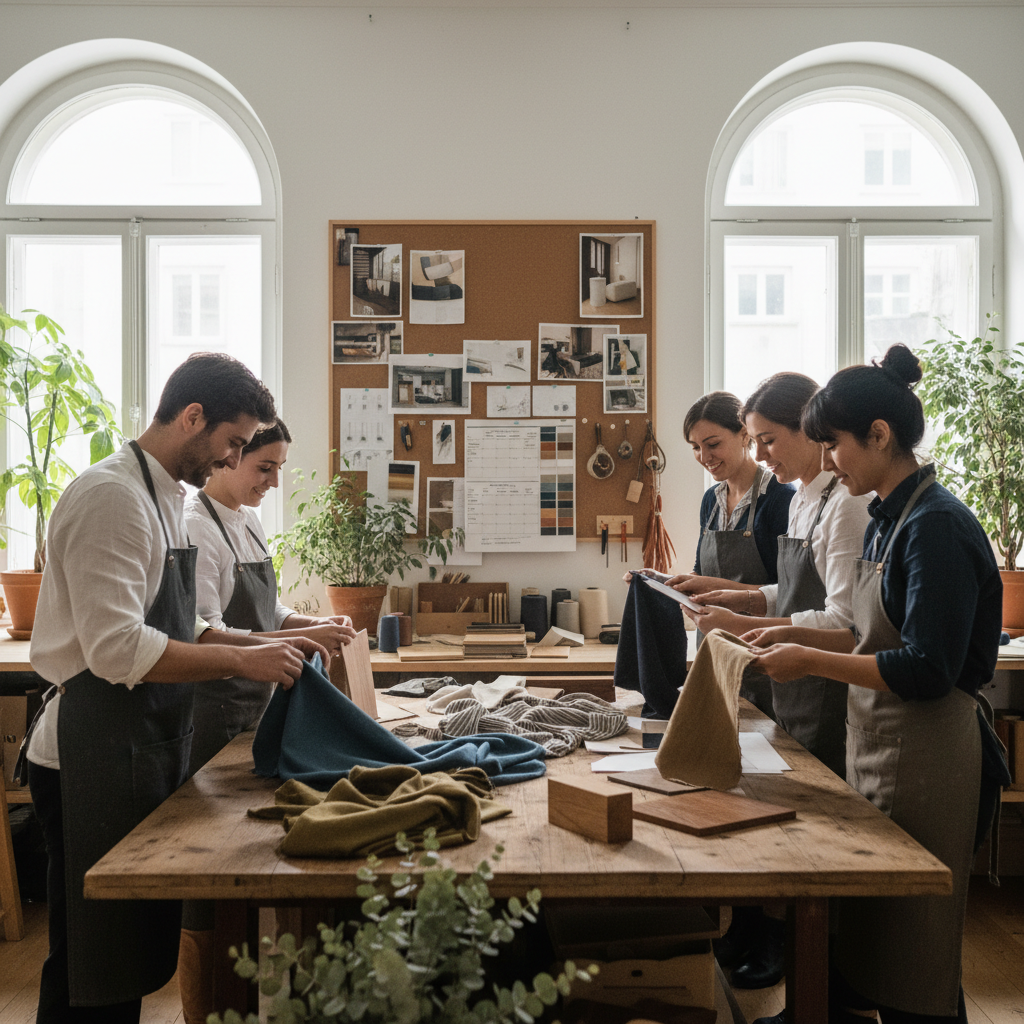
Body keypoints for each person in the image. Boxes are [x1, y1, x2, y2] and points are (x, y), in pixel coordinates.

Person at [23, 353, 326, 1024]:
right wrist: (243, 663)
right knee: (88, 967)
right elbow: (115, 649)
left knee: (122, 961)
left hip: (139, 744)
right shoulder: (113, 497)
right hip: (87, 753)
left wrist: (266, 644)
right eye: (234, 442)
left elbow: (183, 624)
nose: (234, 458)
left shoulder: (163, 496)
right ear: (193, 418)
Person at [746, 344, 1002, 1024]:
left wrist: (808, 661)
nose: (829, 461)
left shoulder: (936, 528)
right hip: (881, 746)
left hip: (931, 757)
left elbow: (924, 668)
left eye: (835, 447)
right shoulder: (892, 517)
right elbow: (869, 638)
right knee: (867, 933)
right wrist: (791, 635)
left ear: (880, 436)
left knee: (915, 952)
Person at [176, 417, 357, 1024]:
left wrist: (316, 628)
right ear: (227, 456)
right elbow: (199, 629)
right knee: (209, 879)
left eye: (280, 469)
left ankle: (262, 1000)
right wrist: (276, 648)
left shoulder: (247, 523)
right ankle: (203, 1012)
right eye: (264, 468)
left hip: (259, 707)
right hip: (217, 714)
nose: (274, 483)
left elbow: (269, 609)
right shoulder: (196, 525)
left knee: (257, 860)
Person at [678, 372, 871, 778]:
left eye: (767, 440)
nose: (762, 455)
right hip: (791, 683)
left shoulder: (847, 504)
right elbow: (795, 589)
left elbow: (845, 622)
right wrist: (744, 599)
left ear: (810, 428)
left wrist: (745, 623)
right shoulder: (803, 498)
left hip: (826, 684)